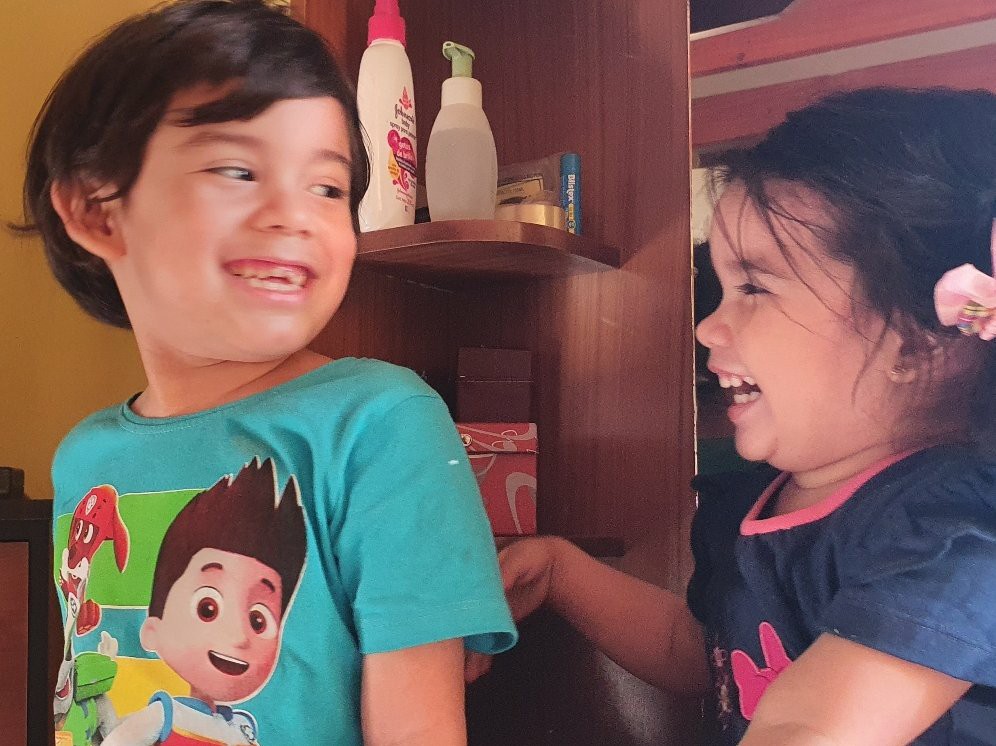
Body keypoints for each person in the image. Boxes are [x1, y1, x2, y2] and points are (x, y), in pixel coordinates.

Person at [20, 1, 516, 744]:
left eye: (328, 188)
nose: (296, 216)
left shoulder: (382, 424)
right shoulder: (83, 459)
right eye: (238, 170)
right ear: (98, 211)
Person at [473, 87, 996, 745]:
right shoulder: (755, 503)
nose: (709, 327)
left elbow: (806, 727)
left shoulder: (951, 534)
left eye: (754, 287)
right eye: (722, 289)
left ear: (917, 340)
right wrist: (561, 572)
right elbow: (703, 655)